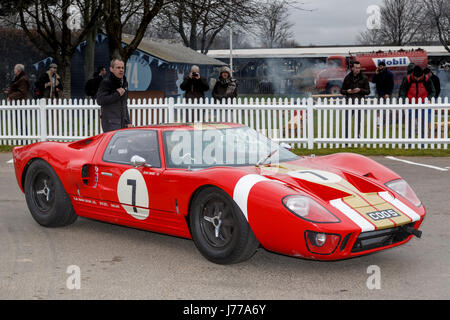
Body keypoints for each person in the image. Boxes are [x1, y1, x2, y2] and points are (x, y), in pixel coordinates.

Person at [399, 66, 436, 140]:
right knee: (409, 123)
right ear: (413, 74)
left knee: (423, 123)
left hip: (423, 103)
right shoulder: (408, 79)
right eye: (416, 77)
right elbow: (402, 91)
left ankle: (422, 140)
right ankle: (409, 140)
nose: (417, 78)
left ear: (422, 74)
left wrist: (429, 99)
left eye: (419, 77)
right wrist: (403, 101)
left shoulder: (426, 79)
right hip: (410, 103)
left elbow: (433, 91)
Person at [96, 58, 132, 133]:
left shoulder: (125, 82)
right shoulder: (106, 82)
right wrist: (117, 94)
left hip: (123, 122)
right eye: (118, 68)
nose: (121, 70)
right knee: (113, 145)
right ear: (111, 69)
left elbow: (124, 104)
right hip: (110, 123)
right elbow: (100, 100)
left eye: (122, 68)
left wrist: (128, 121)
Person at [340, 61, 370, 137]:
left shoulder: (364, 78)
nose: (358, 69)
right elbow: (341, 91)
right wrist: (347, 91)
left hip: (359, 102)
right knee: (346, 120)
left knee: (358, 121)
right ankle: (346, 137)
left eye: (359, 68)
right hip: (348, 102)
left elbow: (368, 91)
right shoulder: (347, 77)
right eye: (356, 68)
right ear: (352, 68)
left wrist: (360, 90)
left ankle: (357, 137)